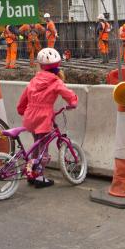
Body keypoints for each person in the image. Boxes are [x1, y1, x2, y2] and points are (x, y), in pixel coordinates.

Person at [16, 48, 78, 188]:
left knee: (36, 145)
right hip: (43, 117)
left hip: (30, 116)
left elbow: (23, 99)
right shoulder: (56, 81)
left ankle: (31, 173)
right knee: (43, 148)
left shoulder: (34, 80)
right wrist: (73, 102)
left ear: (41, 65)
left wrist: (21, 111)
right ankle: (39, 177)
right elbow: (67, 94)